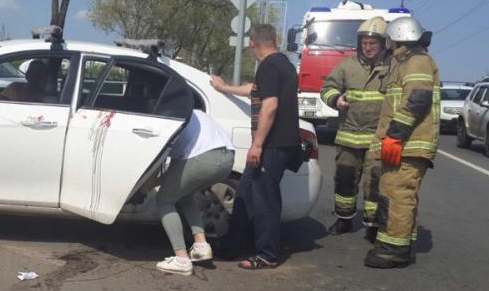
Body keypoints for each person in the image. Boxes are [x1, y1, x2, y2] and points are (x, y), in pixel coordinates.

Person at [209, 23, 300, 269]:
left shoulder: (269, 66)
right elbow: (254, 90)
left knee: (264, 199)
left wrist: (257, 145)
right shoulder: (284, 64)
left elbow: (269, 106)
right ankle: (231, 244)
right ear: (275, 40)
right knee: (246, 192)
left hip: (272, 145)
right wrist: (224, 88)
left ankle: (268, 254)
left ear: (252, 43)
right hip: (280, 144)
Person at [364, 17, 439, 268]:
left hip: (408, 144)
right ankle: (403, 245)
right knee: (400, 196)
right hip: (407, 144)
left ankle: (392, 252)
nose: (388, 43)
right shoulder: (406, 62)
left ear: (398, 37)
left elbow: (417, 99)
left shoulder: (417, 61)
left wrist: (395, 136)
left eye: (389, 38)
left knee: (396, 196)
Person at [320, 17, 390, 241]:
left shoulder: (393, 68)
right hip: (349, 136)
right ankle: (344, 219)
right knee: (345, 179)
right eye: (365, 43)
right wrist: (336, 100)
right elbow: (327, 88)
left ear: (383, 44)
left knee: (375, 183)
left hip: (377, 139)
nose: (368, 47)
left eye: (373, 43)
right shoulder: (347, 65)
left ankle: (373, 225)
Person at [143, 110, 235, 276]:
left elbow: (159, 167)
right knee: (183, 194)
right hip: (227, 159)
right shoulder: (192, 112)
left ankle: (181, 259)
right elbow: (174, 173)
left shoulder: (167, 119)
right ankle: (201, 245)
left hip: (203, 158)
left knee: (164, 200)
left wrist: (145, 187)